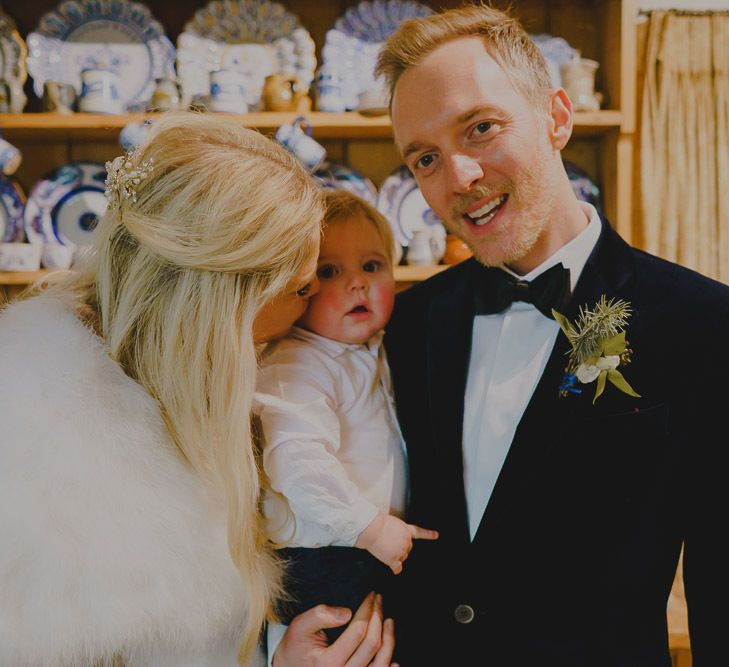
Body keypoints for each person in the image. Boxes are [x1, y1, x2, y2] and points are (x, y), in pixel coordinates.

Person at [375, 4, 729, 666]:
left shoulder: (705, 325)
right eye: (424, 158)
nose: (458, 180)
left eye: (479, 128)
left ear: (557, 118)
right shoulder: (403, 322)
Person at [0, 112, 396, 667]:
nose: (308, 312)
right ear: (222, 309)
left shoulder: (184, 388)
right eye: (303, 287)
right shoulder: (42, 466)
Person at [254, 190, 437, 645]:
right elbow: (296, 462)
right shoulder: (296, 363)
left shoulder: (366, 350)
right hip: (323, 560)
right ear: (297, 288)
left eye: (371, 266)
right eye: (330, 272)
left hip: (363, 552)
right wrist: (370, 527)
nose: (357, 284)